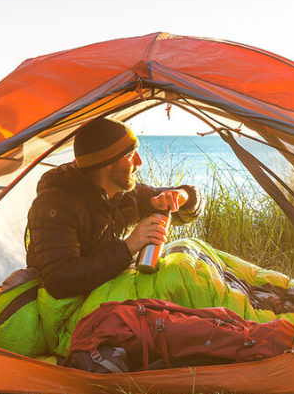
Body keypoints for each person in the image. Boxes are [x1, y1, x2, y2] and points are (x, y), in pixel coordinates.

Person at [26, 118, 200, 299]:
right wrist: (127, 247)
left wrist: (182, 195)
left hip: (102, 296)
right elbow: (59, 282)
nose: (139, 162)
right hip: (61, 307)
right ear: (108, 162)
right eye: (131, 155)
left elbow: (183, 208)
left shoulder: (126, 195)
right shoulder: (54, 205)